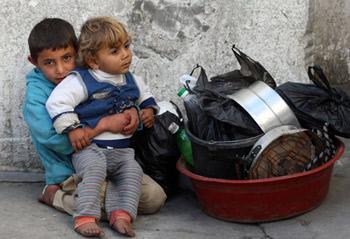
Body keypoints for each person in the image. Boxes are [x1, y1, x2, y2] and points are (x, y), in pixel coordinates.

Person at [23, 17, 166, 236]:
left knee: (154, 197)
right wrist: (102, 126)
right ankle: (57, 197)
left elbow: (118, 102)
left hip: (112, 159)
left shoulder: (90, 76)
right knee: (99, 196)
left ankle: (111, 207)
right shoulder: (37, 96)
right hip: (71, 171)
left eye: (67, 58)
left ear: (79, 53)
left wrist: (135, 114)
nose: (61, 69)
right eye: (49, 62)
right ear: (35, 62)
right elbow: (57, 140)